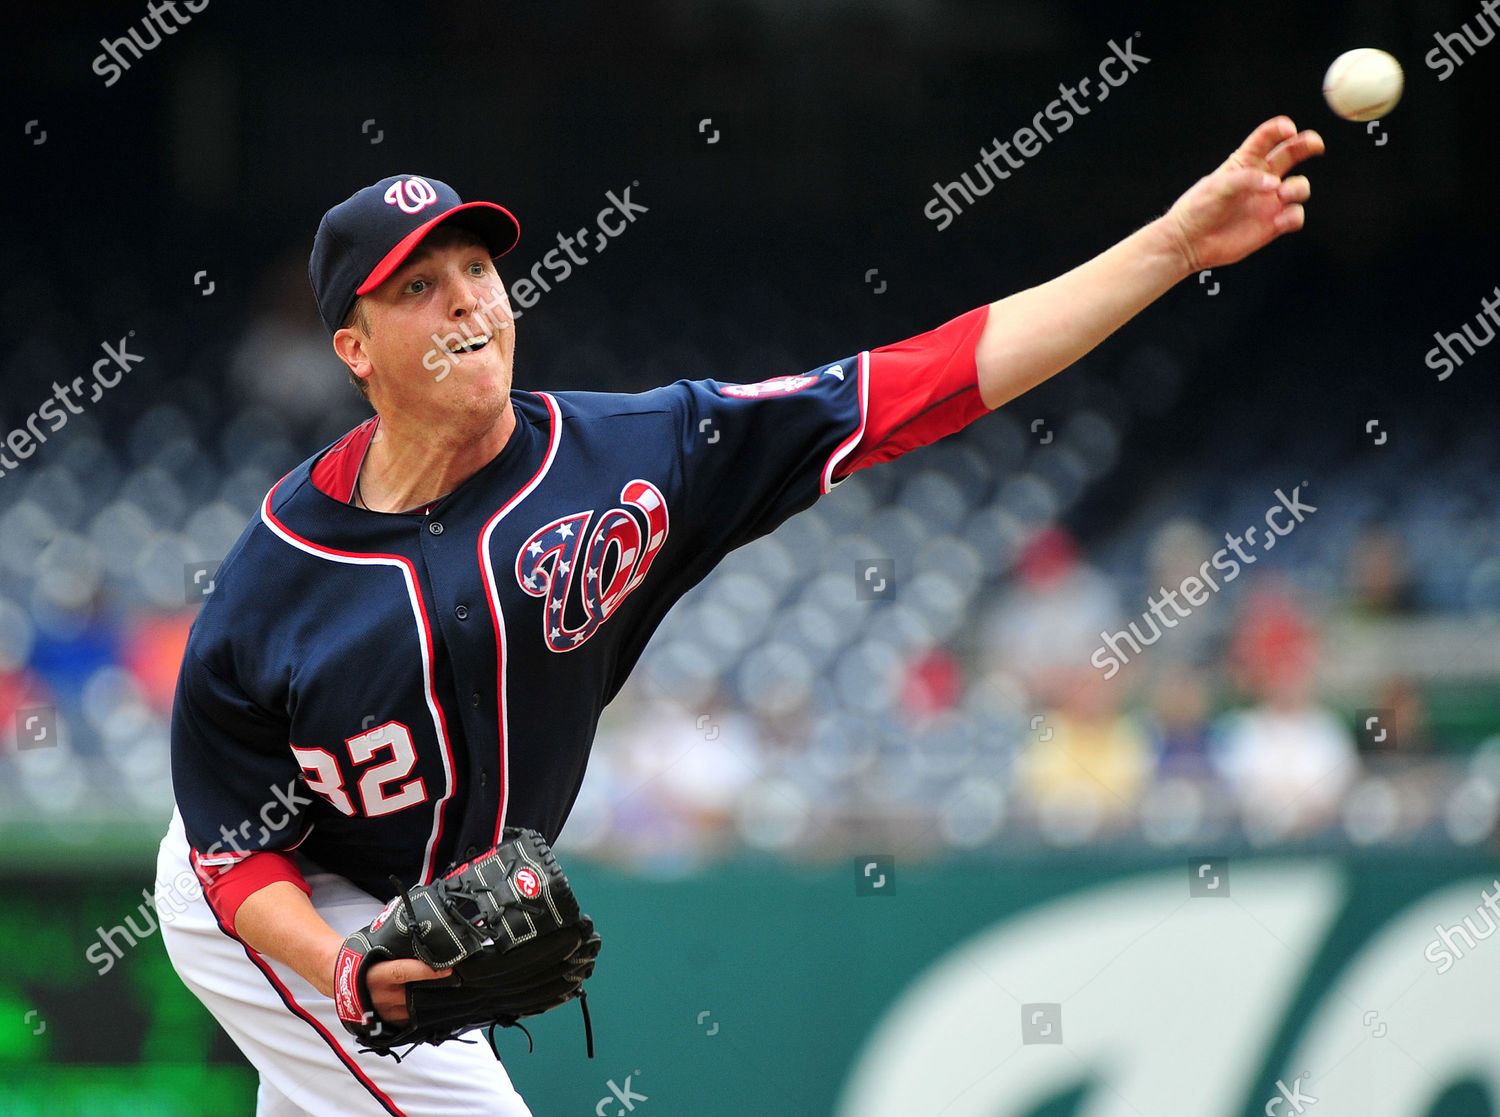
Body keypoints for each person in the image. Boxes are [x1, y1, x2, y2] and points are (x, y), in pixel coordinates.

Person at [155, 117, 1323, 1115]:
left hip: (408, 915)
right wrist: (345, 969)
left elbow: (917, 381)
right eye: (418, 287)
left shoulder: (632, 456)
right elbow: (229, 850)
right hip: (278, 911)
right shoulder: (274, 584)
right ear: (354, 349)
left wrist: (1171, 247)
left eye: (476, 270)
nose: (466, 302)